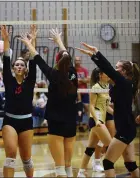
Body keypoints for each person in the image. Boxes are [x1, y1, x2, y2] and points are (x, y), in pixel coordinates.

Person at [19, 28, 78, 177]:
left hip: (56, 121)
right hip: (71, 120)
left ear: (57, 62)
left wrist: (28, 43)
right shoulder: (73, 73)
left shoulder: (53, 74)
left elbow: (37, 58)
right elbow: (66, 57)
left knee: (59, 169)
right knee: (68, 167)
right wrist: (59, 41)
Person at [76, 42, 140, 177]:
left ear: (123, 71)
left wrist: (96, 53)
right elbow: (108, 70)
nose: (114, 70)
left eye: (117, 68)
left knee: (108, 163)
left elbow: (107, 68)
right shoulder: (125, 83)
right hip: (127, 127)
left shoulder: (124, 82)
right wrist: (95, 55)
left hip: (125, 129)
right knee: (130, 165)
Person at [1, 25, 37, 178]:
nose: (19, 66)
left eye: (22, 64)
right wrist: (6, 39)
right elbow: (6, 57)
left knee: (27, 159)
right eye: (17, 64)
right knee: (10, 156)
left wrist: (32, 42)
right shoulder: (8, 79)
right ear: (13, 68)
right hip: (10, 120)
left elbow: (34, 60)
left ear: (25, 68)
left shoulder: (30, 81)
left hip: (26, 121)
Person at [77, 67, 114, 177]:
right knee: (111, 146)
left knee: (90, 148)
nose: (109, 75)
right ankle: (108, 169)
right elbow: (92, 106)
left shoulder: (106, 86)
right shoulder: (95, 87)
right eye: (106, 73)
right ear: (100, 75)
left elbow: (106, 106)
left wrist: (116, 113)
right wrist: (97, 120)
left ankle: (81, 172)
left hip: (101, 119)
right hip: (96, 120)